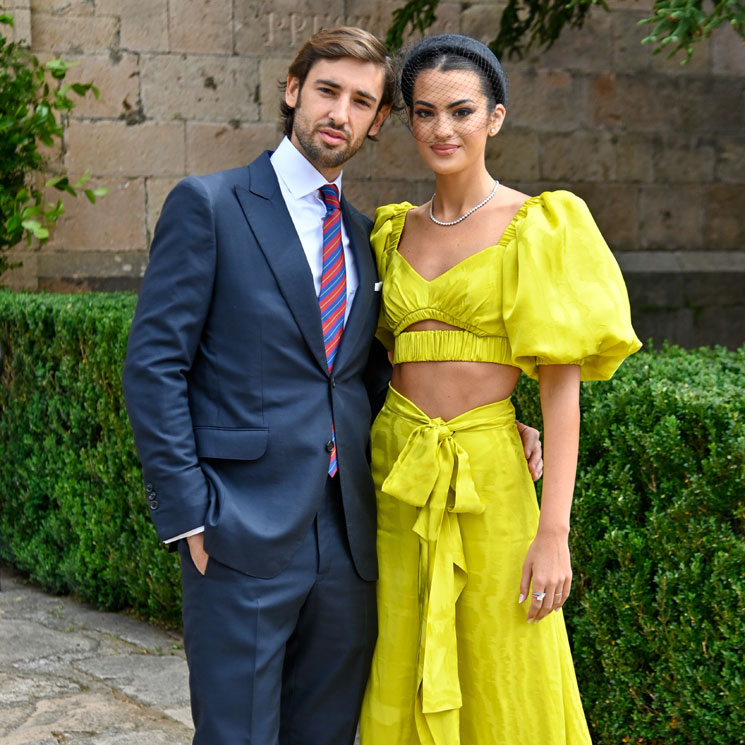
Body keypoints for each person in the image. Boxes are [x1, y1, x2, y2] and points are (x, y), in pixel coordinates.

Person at [122, 26, 541, 745]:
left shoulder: (365, 233)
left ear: (379, 121)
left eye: (361, 100)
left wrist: (489, 416)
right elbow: (154, 363)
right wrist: (188, 512)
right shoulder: (212, 205)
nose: (339, 113)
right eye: (326, 90)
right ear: (293, 91)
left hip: (350, 539)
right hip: (237, 531)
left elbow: (369, 369)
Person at [359, 34, 642, 745]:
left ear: (495, 117)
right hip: (395, 470)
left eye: (461, 110)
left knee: (506, 662)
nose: (442, 129)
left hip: (490, 477)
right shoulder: (390, 234)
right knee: (400, 650)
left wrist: (554, 532)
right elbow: (369, 364)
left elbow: (559, 392)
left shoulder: (539, 225)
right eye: (424, 112)